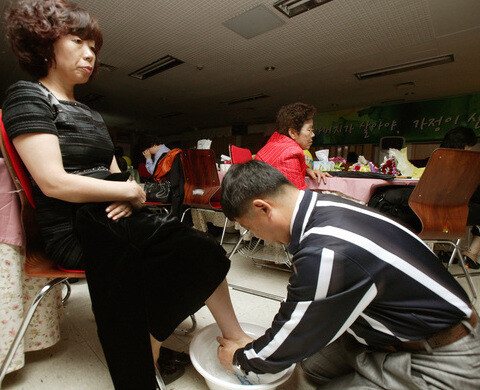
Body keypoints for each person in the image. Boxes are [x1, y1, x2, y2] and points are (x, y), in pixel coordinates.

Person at [3, 1, 251, 388]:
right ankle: (151, 344)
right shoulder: (27, 96)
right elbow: (53, 181)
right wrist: (128, 191)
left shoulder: (90, 114)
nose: (91, 54)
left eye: (94, 47)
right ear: (44, 43)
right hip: (75, 225)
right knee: (194, 252)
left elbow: (119, 176)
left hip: (111, 214)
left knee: (201, 248)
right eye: (79, 41)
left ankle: (210, 336)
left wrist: (130, 194)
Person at [217, 160, 479, 389]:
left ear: (263, 208)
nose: (252, 235)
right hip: (392, 336)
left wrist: (241, 359)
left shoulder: (326, 250)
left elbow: (297, 332)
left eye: (248, 226)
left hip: (444, 359)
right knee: (310, 367)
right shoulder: (326, 203)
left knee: (291, 361)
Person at [255, 102, 331, 190]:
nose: (313, 134)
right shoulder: (289, 154)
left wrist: (308, 170)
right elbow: (298, 198)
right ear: (293, 133)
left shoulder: (277, 142)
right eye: (309, 129)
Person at [441, 126, 480, 269]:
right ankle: (472, 253)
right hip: (454, 213)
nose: (470, 150)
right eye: (469, 146)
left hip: (429, 210)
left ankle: (454, 251)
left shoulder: (435, 159)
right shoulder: (466, 164)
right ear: (463, 145)